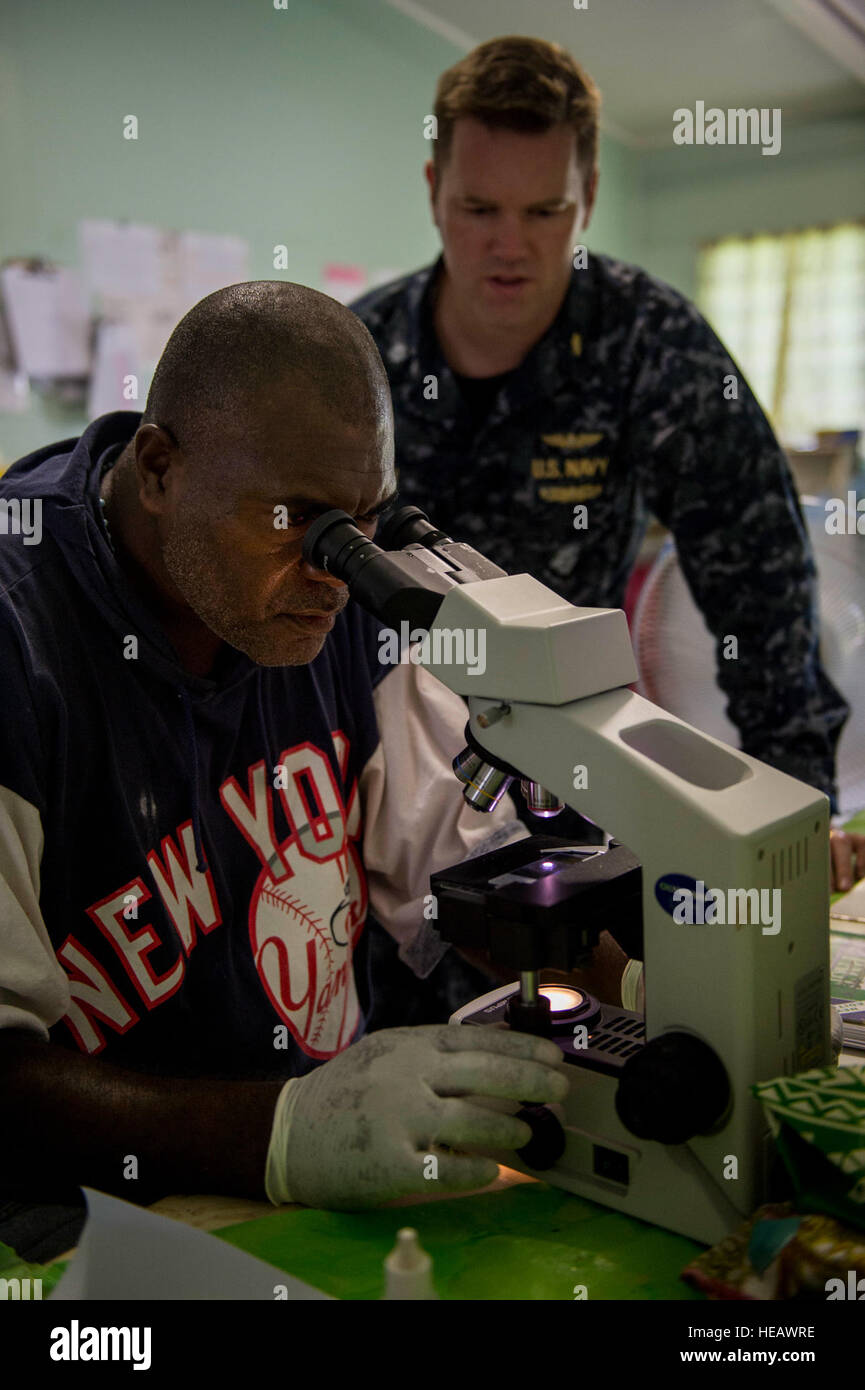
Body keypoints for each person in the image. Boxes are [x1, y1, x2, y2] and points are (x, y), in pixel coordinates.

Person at [0, 281, 570, 1261]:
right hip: (75, 1237)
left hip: (308, 1211)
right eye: (296, 523)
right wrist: (280, 1132)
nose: (332, 574)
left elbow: (476, 876)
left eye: (359, 523)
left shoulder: (341, 594)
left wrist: (658, 975)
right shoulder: (21, 637)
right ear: (160, 466)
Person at [350, 35, 863, 891]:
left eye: (544, 211)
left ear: (586, 196)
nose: (509, 245)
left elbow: (763, 595)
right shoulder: (357, 358)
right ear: (435, 191)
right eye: (480, 209)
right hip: (368, 778)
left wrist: (792, 821)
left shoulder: (650, 345)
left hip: (567, 783)